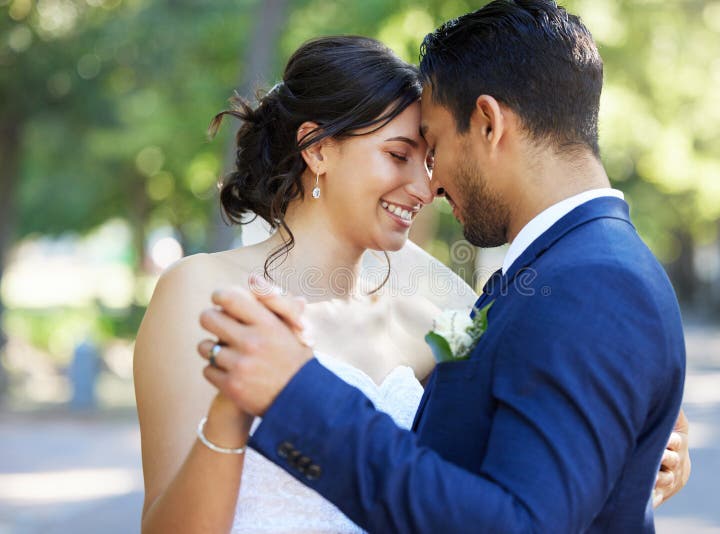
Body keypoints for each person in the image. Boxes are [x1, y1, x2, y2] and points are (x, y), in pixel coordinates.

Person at [198, 1, 688, 533]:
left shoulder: (592, 283)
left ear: (488, 123)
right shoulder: (548, 273)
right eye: (403, 154)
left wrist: (299, 393)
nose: (429, 185)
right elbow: (478, 385)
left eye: (432, 146)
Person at [134, 36, 476, 533]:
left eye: (426, 163)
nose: (425, 190)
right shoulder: (200, 291)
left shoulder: (423, 325)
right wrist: (234, 406)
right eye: (399, 155)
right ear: (317, 149)